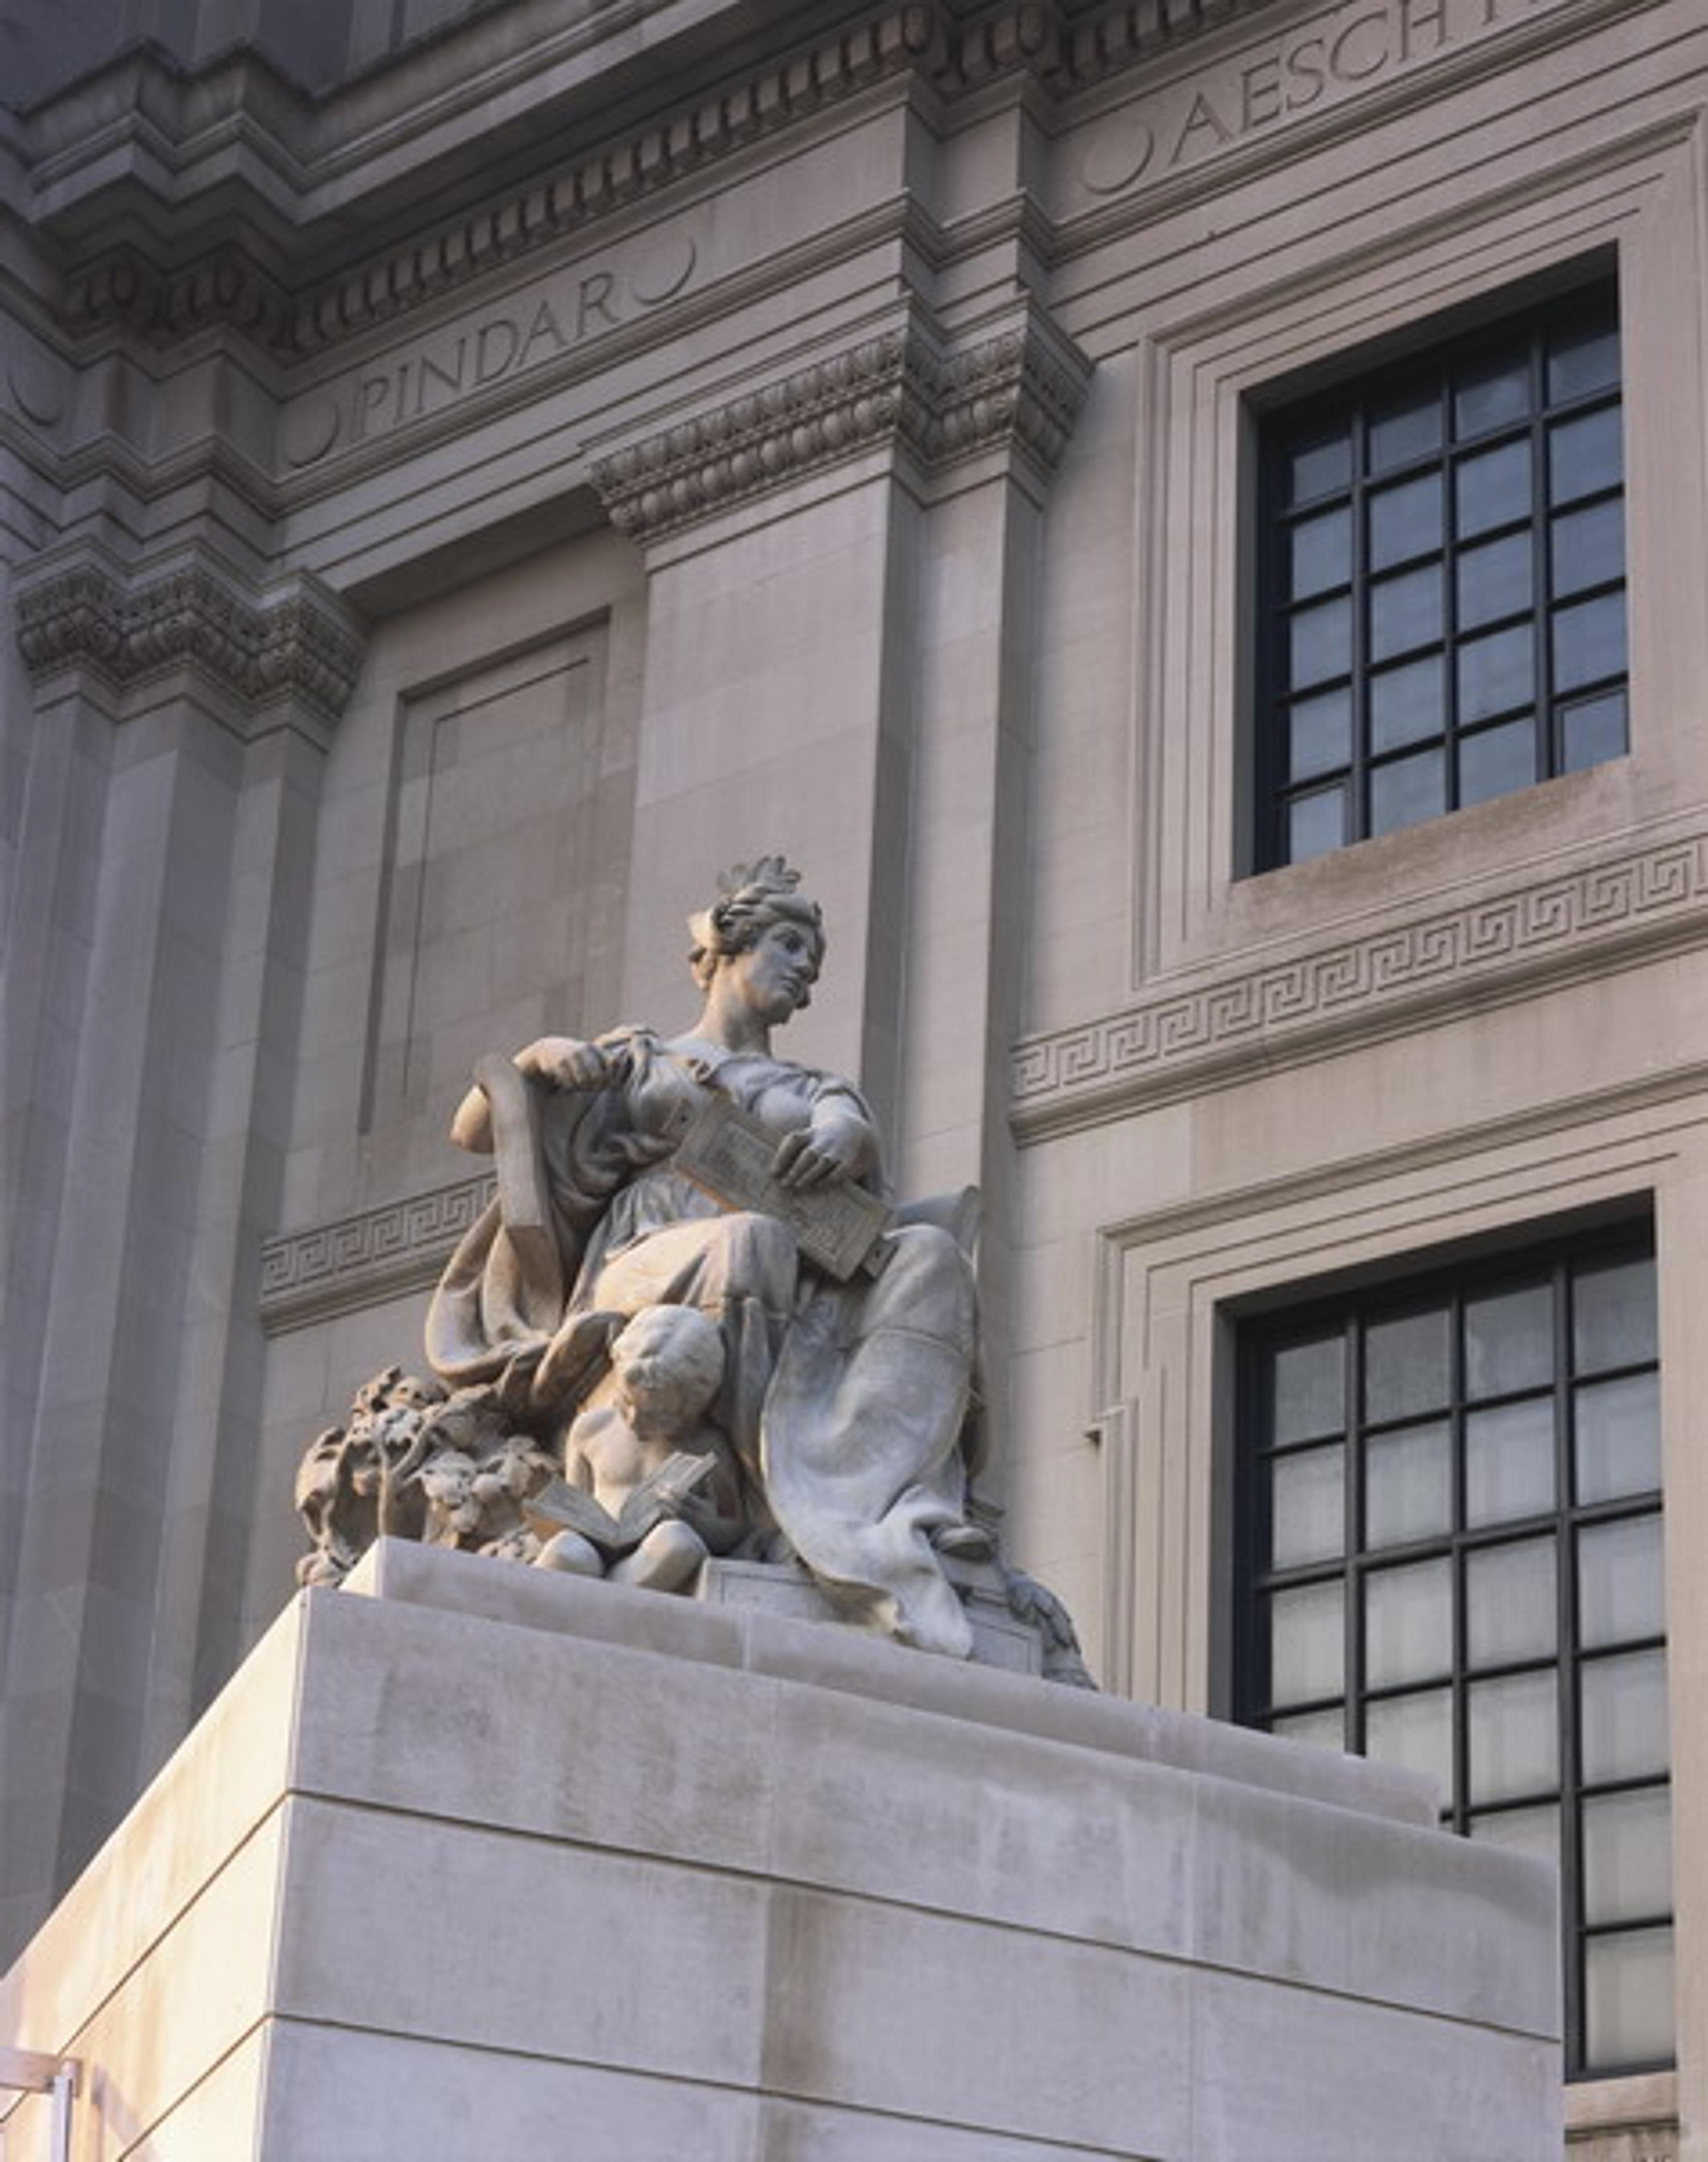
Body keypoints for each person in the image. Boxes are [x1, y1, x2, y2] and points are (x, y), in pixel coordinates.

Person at [425, 857, 982, 1656]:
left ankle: (864, 1500)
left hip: (790, 1264)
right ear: (729, 945)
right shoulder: (641, 1056)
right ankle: (778, 1502)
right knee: (750, 1240)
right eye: (790, 946)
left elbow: (857, 1158)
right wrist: (541, 1059)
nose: (806, 972)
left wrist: (845, 1137)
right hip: (646, 1256)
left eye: (814, 960)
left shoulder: (818, 1088)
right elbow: (473, 1130)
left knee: (930, 1254)